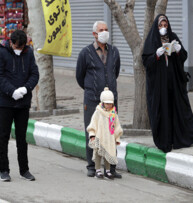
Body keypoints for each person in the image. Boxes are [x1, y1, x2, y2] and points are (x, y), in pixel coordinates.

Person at [142, 14, 193, 153]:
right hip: (159, 85)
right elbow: (146, 62)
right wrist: (156, 55)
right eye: (160, 25)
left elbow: (183, 56)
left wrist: (178, 50)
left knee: (182, 108)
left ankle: (192, 136)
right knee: (163, 110)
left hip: (174, 81)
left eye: (165, 25)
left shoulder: (173, 37)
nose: (163, 28)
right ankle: (165, 141)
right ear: (156, 26)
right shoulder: (152, 40)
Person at [76, 21, 122, 178]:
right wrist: (93, 88)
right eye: (101, 30)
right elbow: (79, 76)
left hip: (111, 101)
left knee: (111, 132)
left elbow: (115, 72)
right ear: (94, 34)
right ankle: (92, 166)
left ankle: (112, 168)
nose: (105, 32)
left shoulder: (114, 51)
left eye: (106, 30)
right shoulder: (85, 53)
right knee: (92, 132)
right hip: (92, 99)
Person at [0, 30, 39, 181]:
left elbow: (34, 74)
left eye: (21, 47)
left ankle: (24, 170)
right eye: (16, 46)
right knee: (4, 135)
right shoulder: (1, 53)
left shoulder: (28, 52)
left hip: (23, 102)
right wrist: (11, 91)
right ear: (11, 43)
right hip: (7, 102)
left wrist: (26, 88)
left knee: (21, 137)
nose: (19, 49)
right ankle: (4, 170)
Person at [87, 87, 123, 179]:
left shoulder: (113, 114)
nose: (109, 105)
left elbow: (117, 126)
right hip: (100, 137)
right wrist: (92, 135)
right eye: (107, 103)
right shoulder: (98, 112)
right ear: (103, 102)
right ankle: (97, 170)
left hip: (109, 139)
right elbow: (93, 124)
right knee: (98, 154)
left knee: (108, 154)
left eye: (110, 104)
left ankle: (108, 171)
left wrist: (117, 138)